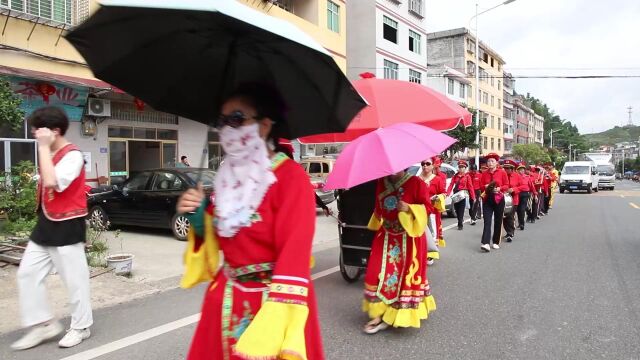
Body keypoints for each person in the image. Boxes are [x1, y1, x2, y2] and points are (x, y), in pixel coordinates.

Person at [176, 84, 324, 359]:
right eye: (222, 121)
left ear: (265, 125)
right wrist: (201, 219)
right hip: (226, 298)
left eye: (236, 119)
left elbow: (295, 250)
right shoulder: (227, 179)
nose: (227, 129)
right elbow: (224, 239)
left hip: (273, 301)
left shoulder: (291, 177)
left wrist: (278, 319)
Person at [11, 107, 93, 350]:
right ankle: (42, 324)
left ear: (54, 131)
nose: (35, 133)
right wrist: (46, 149)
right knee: (27, 274)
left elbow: (52, 182)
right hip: (46, 223)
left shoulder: (73, 155)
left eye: (38, 129)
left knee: (74, 280)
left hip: (67, 224)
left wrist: (43, 148)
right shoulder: (53, 152)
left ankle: (81, 326)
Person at [362, 170, 436, 334]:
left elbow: (429, 208)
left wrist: (409, 208)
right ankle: (378, 312)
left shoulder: (416, 182)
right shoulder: (381, 181)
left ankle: (398, 313)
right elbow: (378, 207)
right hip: (386, 234)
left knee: (403, 276)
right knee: (377, 272)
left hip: (408, 237)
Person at [479, 153, 509, 252]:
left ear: (496, 163)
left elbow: (506, 185)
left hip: (499, 199)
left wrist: (500, 188)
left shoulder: (502, 172)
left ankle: (496, 241)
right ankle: (486, 243)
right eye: (488, 161)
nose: (490, 163)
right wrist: (486, 187)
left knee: (498, 220)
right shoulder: (484, 173)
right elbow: (480, 186)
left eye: (492, 161)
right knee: (487, 221)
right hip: (487, 199)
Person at [418, 159, 446, 262]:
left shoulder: (437, 179)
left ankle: (431, 254)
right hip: (419, 210)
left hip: (433, 211)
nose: (425, 166)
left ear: (433, 166)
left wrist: (438, 197)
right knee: (420, 232)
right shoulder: (417, 179)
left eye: (427, 164)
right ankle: (420, 251)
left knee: (432, 231)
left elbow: (444, 193)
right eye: (423, 164)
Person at [446, 160, 476, 230]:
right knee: (456, 209)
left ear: (465, 168)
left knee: (461, 209)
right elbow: (451, 185)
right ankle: (460, 220)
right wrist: (447, 193)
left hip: (462, 194)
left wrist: (473, 197)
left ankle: (460, 224)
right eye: (460, 167)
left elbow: (470, 187)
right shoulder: (455, 176)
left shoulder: (467, 176)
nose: (461, 168)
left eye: (462, 167)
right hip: (456, 194)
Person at [502, 160, 523, 242]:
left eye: (508, 168)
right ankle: (507, 231)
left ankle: (510, 233)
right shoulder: (502, 175)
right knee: (504, 217)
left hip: (513, 200)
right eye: (505, 168)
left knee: (510, 216)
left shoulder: (517, 176)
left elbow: (524, 186)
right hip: (503, 199)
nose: (506, 170)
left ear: (512, 168)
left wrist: (514, 189)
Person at [431, 156, 448, 247]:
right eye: (434, 167)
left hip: (435, 206)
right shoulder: (421, 177)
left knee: (435, 226)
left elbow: (443, 191)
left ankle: (432, 249)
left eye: (437, 167)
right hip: (423, 207)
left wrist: (439, 197)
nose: (436, 169)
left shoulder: (441, 177)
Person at [516, 162, 533, 230]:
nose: (522, 171)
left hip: (525, 194)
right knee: (518, 210)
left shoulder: (527, 177)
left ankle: (522, 224)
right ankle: (520, 223)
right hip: (517, 194)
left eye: (523, 169)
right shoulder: (516, 177)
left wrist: (534, 193)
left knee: (522, 209)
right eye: (520, 170)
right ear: (517, 170)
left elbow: (531, 186)